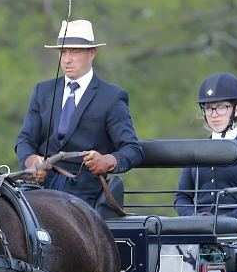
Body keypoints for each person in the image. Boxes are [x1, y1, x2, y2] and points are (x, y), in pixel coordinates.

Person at [15, 20, 143, 208]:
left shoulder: (112, 96)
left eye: (74, 52)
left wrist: (107, 161)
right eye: (63, 52)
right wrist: (31, 162)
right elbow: (25, 140)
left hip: (83, 191)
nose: (67, 59)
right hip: (38, 187)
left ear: (92, 53)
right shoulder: (42, 91)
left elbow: (133, 150)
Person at [174, 73, 237, 240]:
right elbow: (181, 197)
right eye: (209, 108)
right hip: (199, 228)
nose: (214, 114)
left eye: (221, 107)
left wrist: (227, 219)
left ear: (236, 109)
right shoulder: (194, 151)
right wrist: (193, 217)